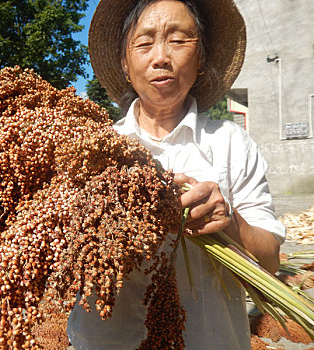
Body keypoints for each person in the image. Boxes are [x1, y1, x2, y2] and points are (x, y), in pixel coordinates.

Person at [66, 0, 286, 349]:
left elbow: (271, 261)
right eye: (144, 42)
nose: (161, 57)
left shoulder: (231, 143)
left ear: (201, 60)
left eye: (179, 40)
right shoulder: (90, 149)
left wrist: (228, 220)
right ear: (125, 64)